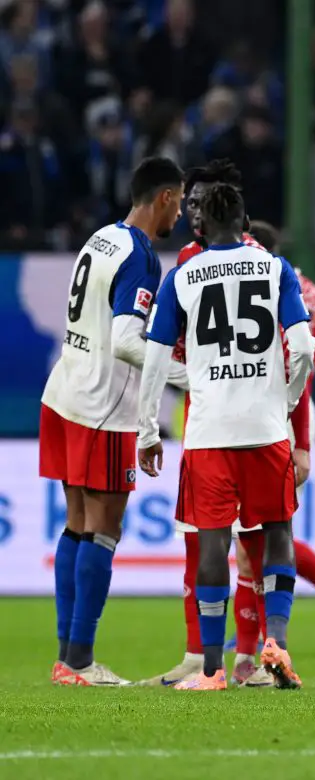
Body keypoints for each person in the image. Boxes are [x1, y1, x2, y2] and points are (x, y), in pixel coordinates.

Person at [137, 183, 315, 691]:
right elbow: (301, 346)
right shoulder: (275, 268)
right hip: (264, 428)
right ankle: (275, 639)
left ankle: (213, 670)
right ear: (243, 221)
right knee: (278, 533)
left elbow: (155, 359)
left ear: (202, 226)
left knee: (213, 541)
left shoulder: (183, 277)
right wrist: (286, 397)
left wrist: (148, 431)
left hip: (209, 429)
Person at [41, 156, 186, 686]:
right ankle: (79, 661)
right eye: (181, 202)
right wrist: (187, 375)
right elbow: (127, 339)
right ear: (165, 198)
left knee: (77, 523)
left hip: (64, 392)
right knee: (104, 528)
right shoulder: (144, 257)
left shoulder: (101, 237)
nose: (183, 217)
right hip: (103, 406)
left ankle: (67, 659)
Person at [222, 220, 315, 657]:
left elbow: (297, 366)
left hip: (279, 412)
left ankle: (256, 641)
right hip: (294, 409)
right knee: (261, 531)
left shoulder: (267, 287)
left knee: (261, 532)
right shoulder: (310, 292)